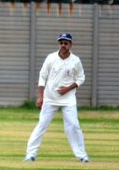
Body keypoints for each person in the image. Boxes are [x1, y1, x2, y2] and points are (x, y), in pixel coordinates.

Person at [24, 33, 88, 163]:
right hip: (50, 98)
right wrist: (40, 97)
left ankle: (82, 155)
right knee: (42, 125)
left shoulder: (75, 60)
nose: (63, 45)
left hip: (68, 99)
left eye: (66, 43)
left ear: (70, 45)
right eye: (61, 43)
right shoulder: (51, 58)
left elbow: (81, 78)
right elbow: (42, 76)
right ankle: (30, 155)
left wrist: (68, 89)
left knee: (73, 126)